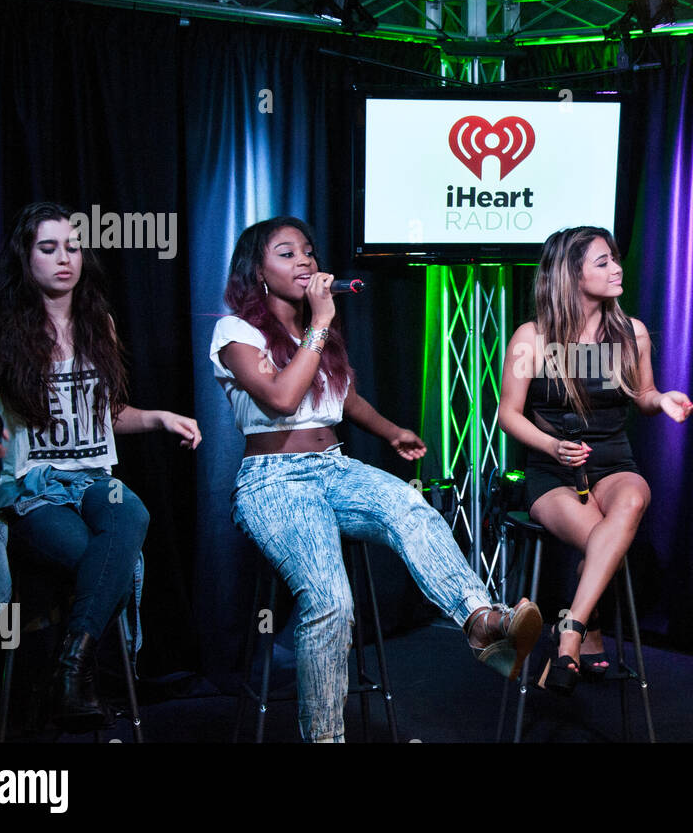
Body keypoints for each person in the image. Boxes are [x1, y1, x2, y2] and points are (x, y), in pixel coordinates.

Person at [212, 216, 541, 742]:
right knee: (330, 600)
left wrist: (392, 432)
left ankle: (483, 624)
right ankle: (325, 737)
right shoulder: (237, 333)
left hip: (336, 468)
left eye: (309, 251)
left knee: (411, 508)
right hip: (273, 482)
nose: (305, 261)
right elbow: (281, 398)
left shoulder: (315, 335)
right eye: (286, 253)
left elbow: (344, 398)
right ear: (257, 272)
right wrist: (320, 324)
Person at [0, 201, 201, 731]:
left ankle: (68, 671)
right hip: (26, 487)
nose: (65, 258)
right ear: (25, 256)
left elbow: (105, 415)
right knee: (98, 559)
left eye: (73, 246)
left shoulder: (95, 323)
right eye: (49, 248)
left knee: (131, 517)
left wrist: (159, 418)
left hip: (91, 479)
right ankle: (70, 676)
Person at [497, 226, 693, 696]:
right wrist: (551, 446)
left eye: (615, 258)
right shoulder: (533, 336)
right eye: (603, 262)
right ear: (571, 275)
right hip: (553, 471)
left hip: (614, 461)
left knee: (631, 503)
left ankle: (567, 630)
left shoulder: (631, 332)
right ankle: (585, 627)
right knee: (604, 544)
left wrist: (663, 401)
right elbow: (508, 413)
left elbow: (645, 393)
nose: (617, 269)